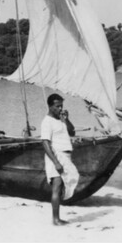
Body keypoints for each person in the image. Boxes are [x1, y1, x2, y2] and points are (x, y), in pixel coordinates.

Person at [40, 93, 79, 226]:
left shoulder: (60, 119)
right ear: (50, 106)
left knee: (63, 186)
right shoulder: (47, 122)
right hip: (56, 157)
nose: (60, 108)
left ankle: (57, 218)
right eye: (57, 106)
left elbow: (72, 132)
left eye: (61, 105)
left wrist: (66, 119)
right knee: (56, 187)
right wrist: (56, 162)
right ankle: (55, 219)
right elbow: (45, 143)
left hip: (66, 156)